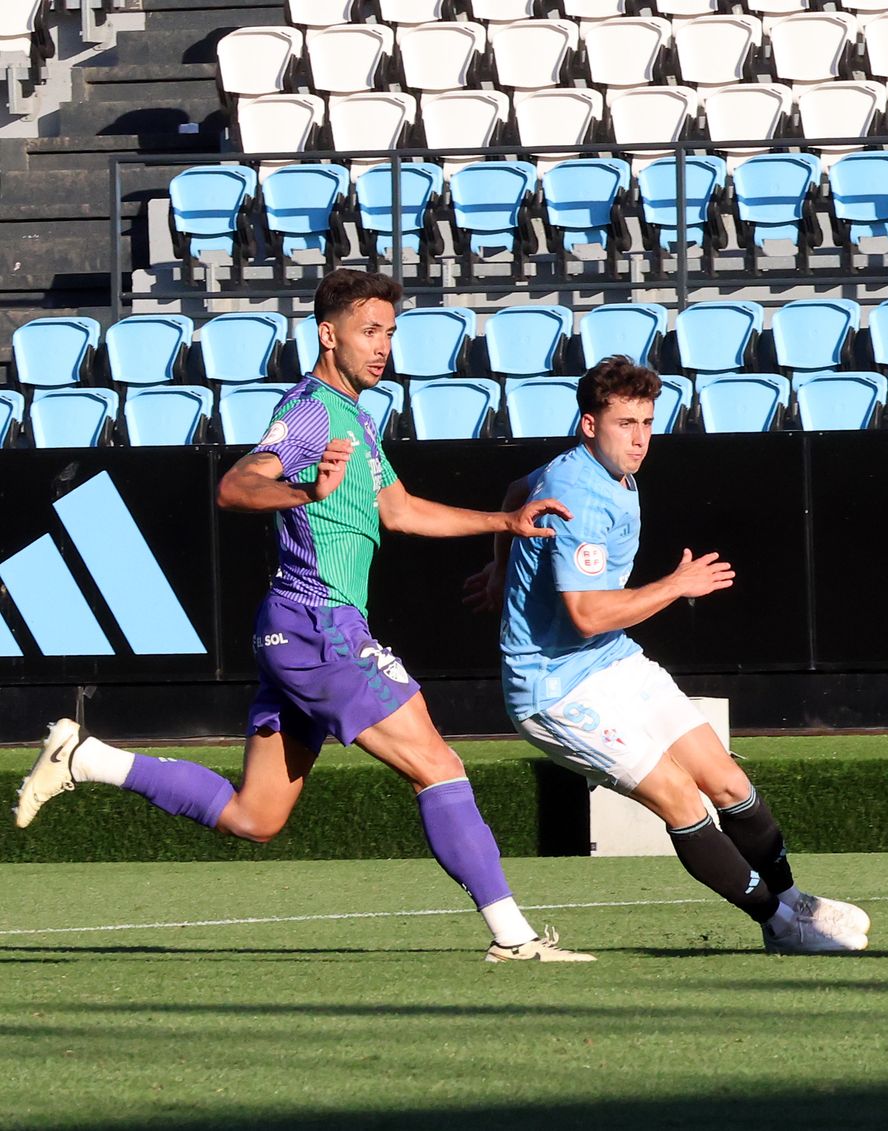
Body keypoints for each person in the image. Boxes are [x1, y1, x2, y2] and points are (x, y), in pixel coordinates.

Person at [13, 269, 591, 964]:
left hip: (297, 628)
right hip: (318, 624)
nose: (383, 347)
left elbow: (399, 509)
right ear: (328, 333)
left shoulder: (355, 416)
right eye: (369, 331)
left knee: (256, 815)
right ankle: (514, 935)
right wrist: (305, 486)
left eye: (390, 333)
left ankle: (86, 757)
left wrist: (504, 518)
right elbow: (236, 485)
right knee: (437, 762)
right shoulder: (314, 411)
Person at [464, 355, 871, 954]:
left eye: (647, 422)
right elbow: (586, 615)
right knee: (679, 796)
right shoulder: (576, 492)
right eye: (624, 423)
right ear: (588, 424)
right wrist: (676, 587)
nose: (638, 438)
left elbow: (516, 491)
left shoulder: (601, 473)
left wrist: (501, 571)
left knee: (727, 781)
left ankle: (791, 902)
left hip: (609, 661)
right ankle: (780, 924)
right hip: (553, 688)